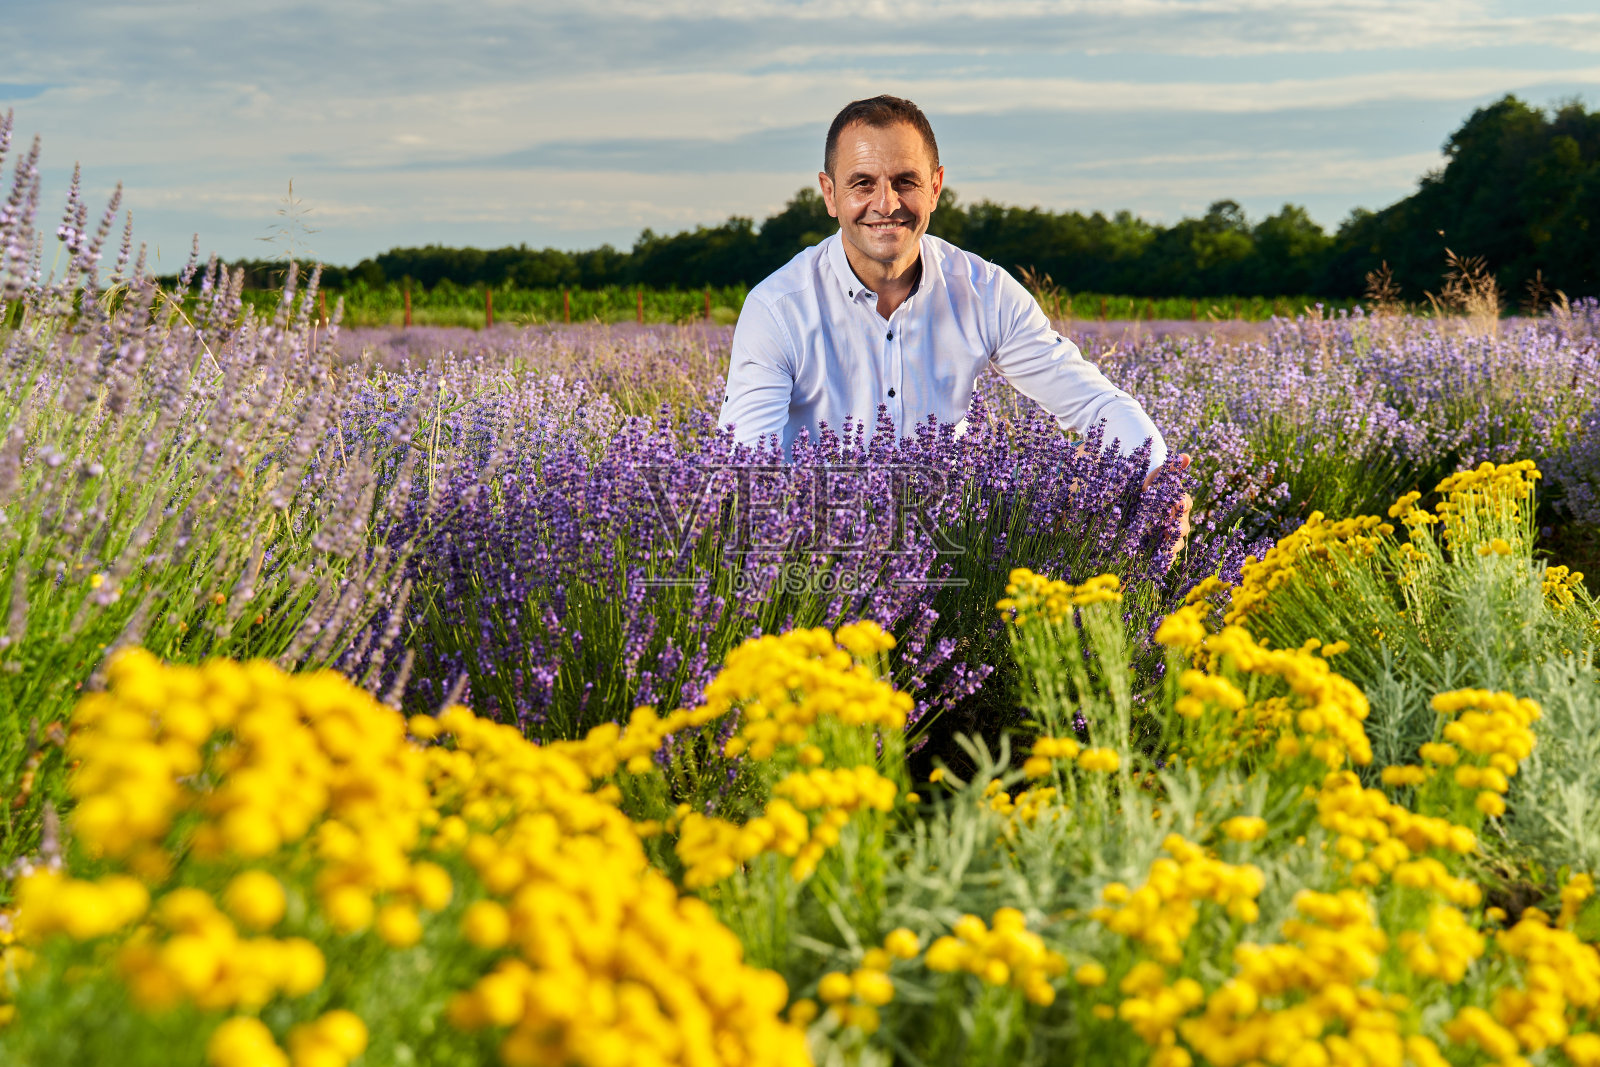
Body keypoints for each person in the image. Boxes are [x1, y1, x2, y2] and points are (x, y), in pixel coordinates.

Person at [717, 94, 1190, 541]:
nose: (886, 203)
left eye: (906, 181)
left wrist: (1156, 482)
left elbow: (1096, 403)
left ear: (936, 188)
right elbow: (747, 470)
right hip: (819, 553)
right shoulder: (779, 308)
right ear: (829, 194)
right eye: (862, 183)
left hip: (956, 551)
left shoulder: (984, 291)